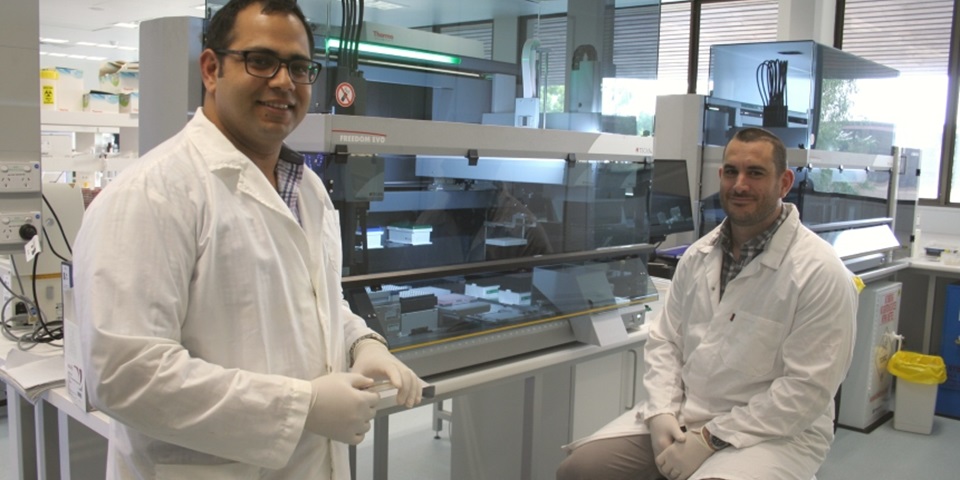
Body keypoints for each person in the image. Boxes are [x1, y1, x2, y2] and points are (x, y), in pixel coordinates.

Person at [73, 1, 423, 478]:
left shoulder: (309, 189)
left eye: (299, 68)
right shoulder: (151, 194)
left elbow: (316, 303)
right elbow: (126, 376)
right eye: (260, 61)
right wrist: (302, 407)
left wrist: (362, 341)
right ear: (212, 69)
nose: (284, 82)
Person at [556, 127, 859, 480]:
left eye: (755, 173)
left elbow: (806, 392)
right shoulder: (697, 256)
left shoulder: (820, 272)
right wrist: (661, 414)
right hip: (688, 412)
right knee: (581, 471)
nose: (740, 184)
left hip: (776, 434)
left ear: (785, 182)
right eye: (731, 171)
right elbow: (666, 341)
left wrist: (711, 438)